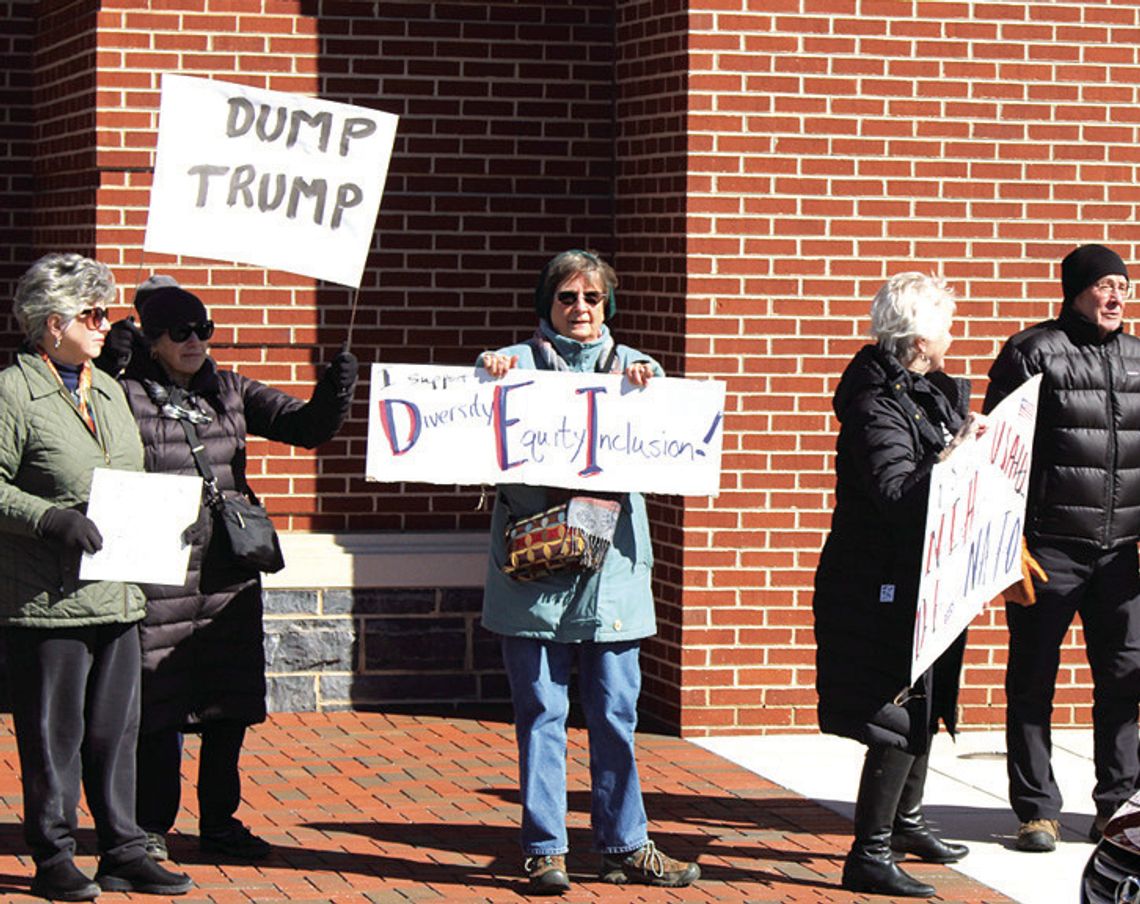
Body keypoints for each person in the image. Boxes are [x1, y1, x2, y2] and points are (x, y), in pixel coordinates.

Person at [95, 284, 358, 863]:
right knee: (157, 707)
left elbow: (307, 426)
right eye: (179, 332)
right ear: (151, 338)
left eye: (203, 329)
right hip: (158, 568)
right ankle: (150, 828)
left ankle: (219, 823)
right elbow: (83, 420)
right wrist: (103, 366)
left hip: (226, 571)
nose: (195, 342)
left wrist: (337, 386)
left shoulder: (230, 388)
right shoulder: (124, 391)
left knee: (226, 705)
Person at [478, 249, 700, 895]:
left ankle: (625, 845)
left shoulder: (639, 371)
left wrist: (651, 395)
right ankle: (545, 849)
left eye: (593, 298)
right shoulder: (507, 367)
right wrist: (485, 380)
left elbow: (671, 447)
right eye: (567, 297)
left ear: (609, 305)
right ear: (546, 305)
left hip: (613, 576)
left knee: (614, 713)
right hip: (532, 570)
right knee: (542, 712)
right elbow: (466, 433)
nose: (580, 309)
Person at [0, 254, 193, 900]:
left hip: (118, 593)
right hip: (48, 601)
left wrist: (173, 522)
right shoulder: (11, 392)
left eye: (106, 312)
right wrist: (49, 519)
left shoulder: (107, 388)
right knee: (56, 737)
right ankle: (54, 854)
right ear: (51, 324)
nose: (106, 324)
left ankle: (123, 848)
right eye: (92, 313)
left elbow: (128, 479)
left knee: (117, 734)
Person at [813, 272, 984, 898]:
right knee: (898, 709)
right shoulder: (875, 400)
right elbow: (895, 492)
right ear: (918, 334)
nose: (952, 333)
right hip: (878, 578)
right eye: (945, 321)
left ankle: (906, 823)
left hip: (926, 575)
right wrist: (953, 457)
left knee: (929, 698)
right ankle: (869, 854)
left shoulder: (924, 392)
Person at [984, 243, 1140, 853]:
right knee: (1032, 679)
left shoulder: (1136, 359)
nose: (1116, 296)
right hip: (1047, 547)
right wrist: (1008, 540)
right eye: (1104, 285)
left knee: (1125, 678)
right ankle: (1036, 810)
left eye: (1122, 286)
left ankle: (1118, 809)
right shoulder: (1032, 351)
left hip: (1121, 554)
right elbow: (998, 452)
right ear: (1075, 290)